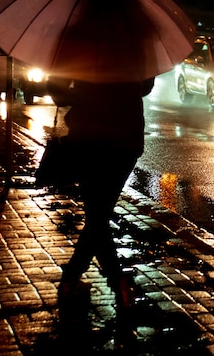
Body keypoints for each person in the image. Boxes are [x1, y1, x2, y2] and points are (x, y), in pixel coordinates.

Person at [48, 76, 155, 308]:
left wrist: (86, 95)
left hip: (87, 140)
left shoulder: (79, 43)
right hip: (125, 140)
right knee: (99, 215)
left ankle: (109, 282)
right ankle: (99, 281)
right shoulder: (136, 45)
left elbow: (57, 90)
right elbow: (145, 86)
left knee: (97, 216)